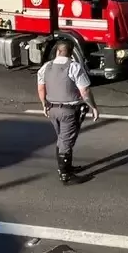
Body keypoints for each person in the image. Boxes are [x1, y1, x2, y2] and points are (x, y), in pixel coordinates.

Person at [37, 38, 99, 184]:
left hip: (52, 109)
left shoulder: (46, 67)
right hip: (68, 111)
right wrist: (94, 106)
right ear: (71, 52)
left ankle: (67, 167)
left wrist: (44, 104)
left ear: (58, 51)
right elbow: (84, 91)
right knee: (66, 141)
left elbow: (41, 88)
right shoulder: (74, 67)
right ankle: (66, 175)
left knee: (61, 139)